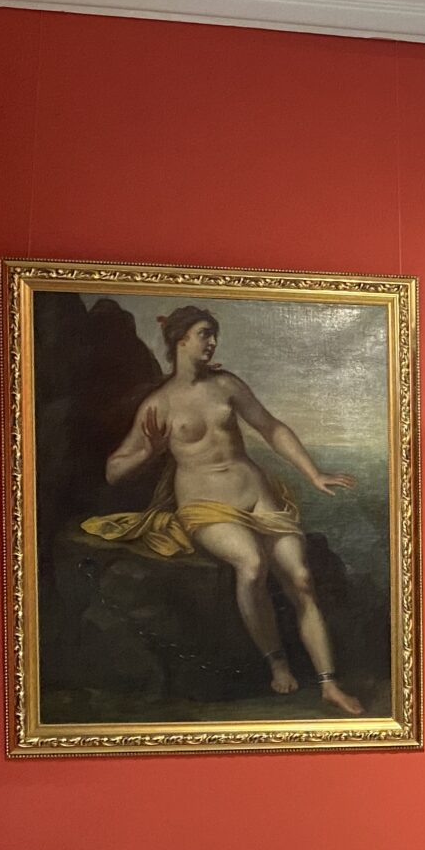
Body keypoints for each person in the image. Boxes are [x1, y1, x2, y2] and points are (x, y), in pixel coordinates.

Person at [83, 305, 364, 716]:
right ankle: (277, 662)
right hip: (205, 506)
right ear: (180, 339)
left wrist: (313, 472)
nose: (212, 342)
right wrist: (151, 451)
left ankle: (329, 685)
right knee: (251, 564)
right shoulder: (159, 403)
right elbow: (113, 470)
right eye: (204, 334)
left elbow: (271, 428)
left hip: (258, 497)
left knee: (302, 578)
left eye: (214, 334)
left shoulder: (227, 385)